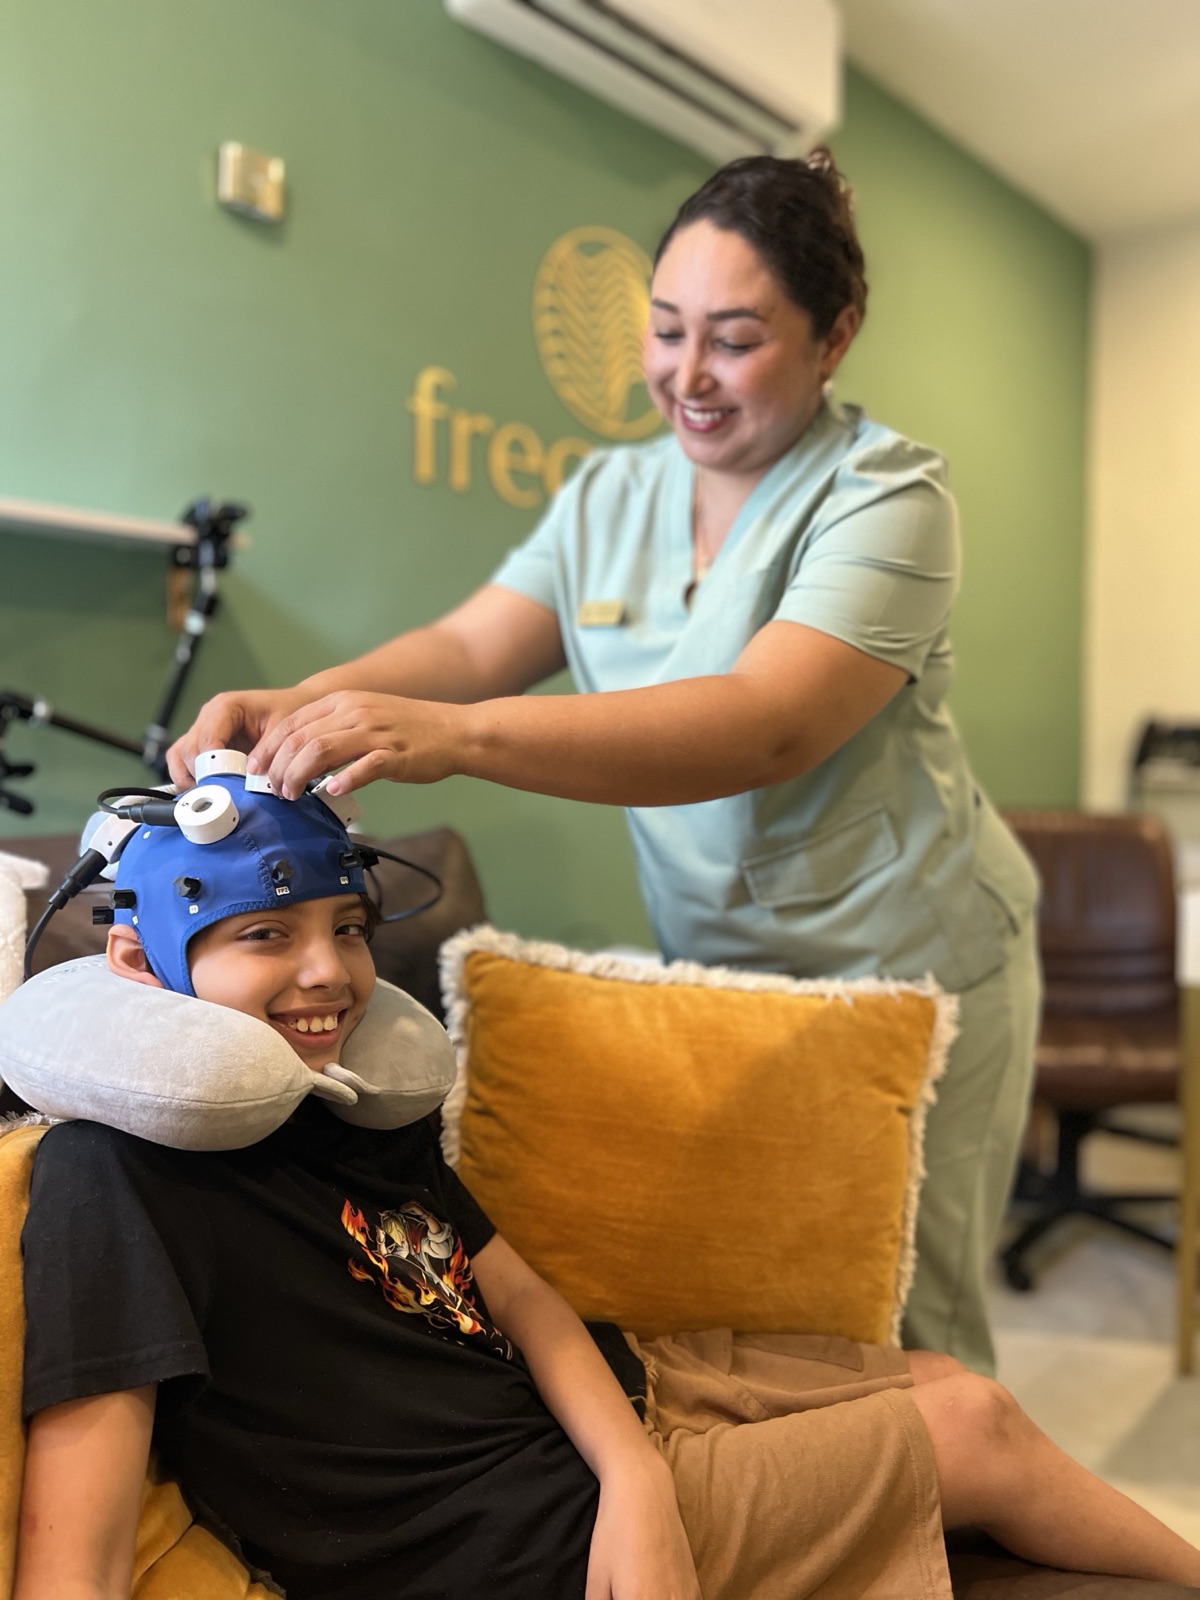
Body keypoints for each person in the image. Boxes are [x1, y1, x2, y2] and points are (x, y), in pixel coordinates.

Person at [169, 151, 1040, 1376]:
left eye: (734, 340)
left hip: (912, 955)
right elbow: (476, 642)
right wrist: (302, 701)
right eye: (667, 330)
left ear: (835, 333)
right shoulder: (608, 493)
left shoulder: (887, 494)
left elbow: (765, 722)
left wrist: (454, 738)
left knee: (907, 1311)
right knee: (774, 1289)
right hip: (725, 954)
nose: (685, 376)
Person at [14, 771, 1200, 1599]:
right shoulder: (108, 1177)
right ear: (138, 960)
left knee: (947, 1376)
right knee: (974, 1427)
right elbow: (70, 1564)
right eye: (266, 936)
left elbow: (520, 1295)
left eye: (346, 925)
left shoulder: (339, 1093)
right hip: (506, 1545)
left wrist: (634, 1470)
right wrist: (621, 1503)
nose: (329, 974)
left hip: (601, 1422)